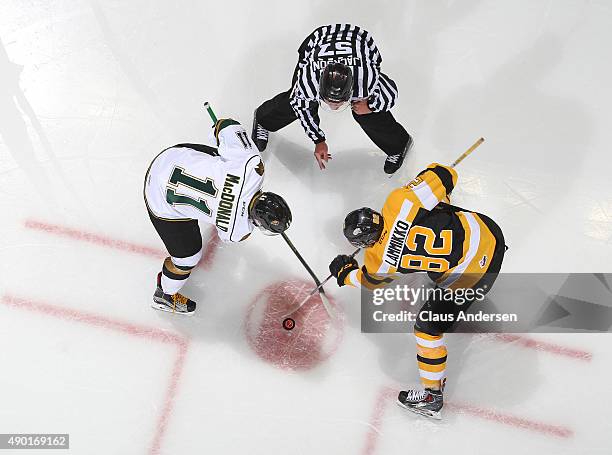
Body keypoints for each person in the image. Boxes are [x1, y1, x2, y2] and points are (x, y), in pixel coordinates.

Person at [328, 163, 506, 418]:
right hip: (490, 234)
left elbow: (368, 282)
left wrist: (345, 273)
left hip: (476, 277)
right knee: (438, 206)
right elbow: (446, 174)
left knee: (426, 330)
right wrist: (427, 185)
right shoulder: (399, 201)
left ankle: (432, 397)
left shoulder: (379, 261)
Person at [144, 118, 292, 315]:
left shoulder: (253, 165)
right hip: (159, 197)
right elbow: (231, 230)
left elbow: (226, 125)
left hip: (170, 158)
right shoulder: (236, 231)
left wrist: (218, 134)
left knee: (223, 156)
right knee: (187, 258)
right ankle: (164, 295)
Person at [252, 23, 413, 174]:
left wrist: (370, 105)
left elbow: (391, 92)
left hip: (359, 41)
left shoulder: (365, 80)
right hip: (318, 40)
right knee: (294, 101)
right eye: (329, 101)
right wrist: (318, 139)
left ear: (351, 90)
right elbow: (300, 106)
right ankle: (264, 119)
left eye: (339, 102)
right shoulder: (308, 81)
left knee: (365, 112)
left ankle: (398, 145)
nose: (334, 108)